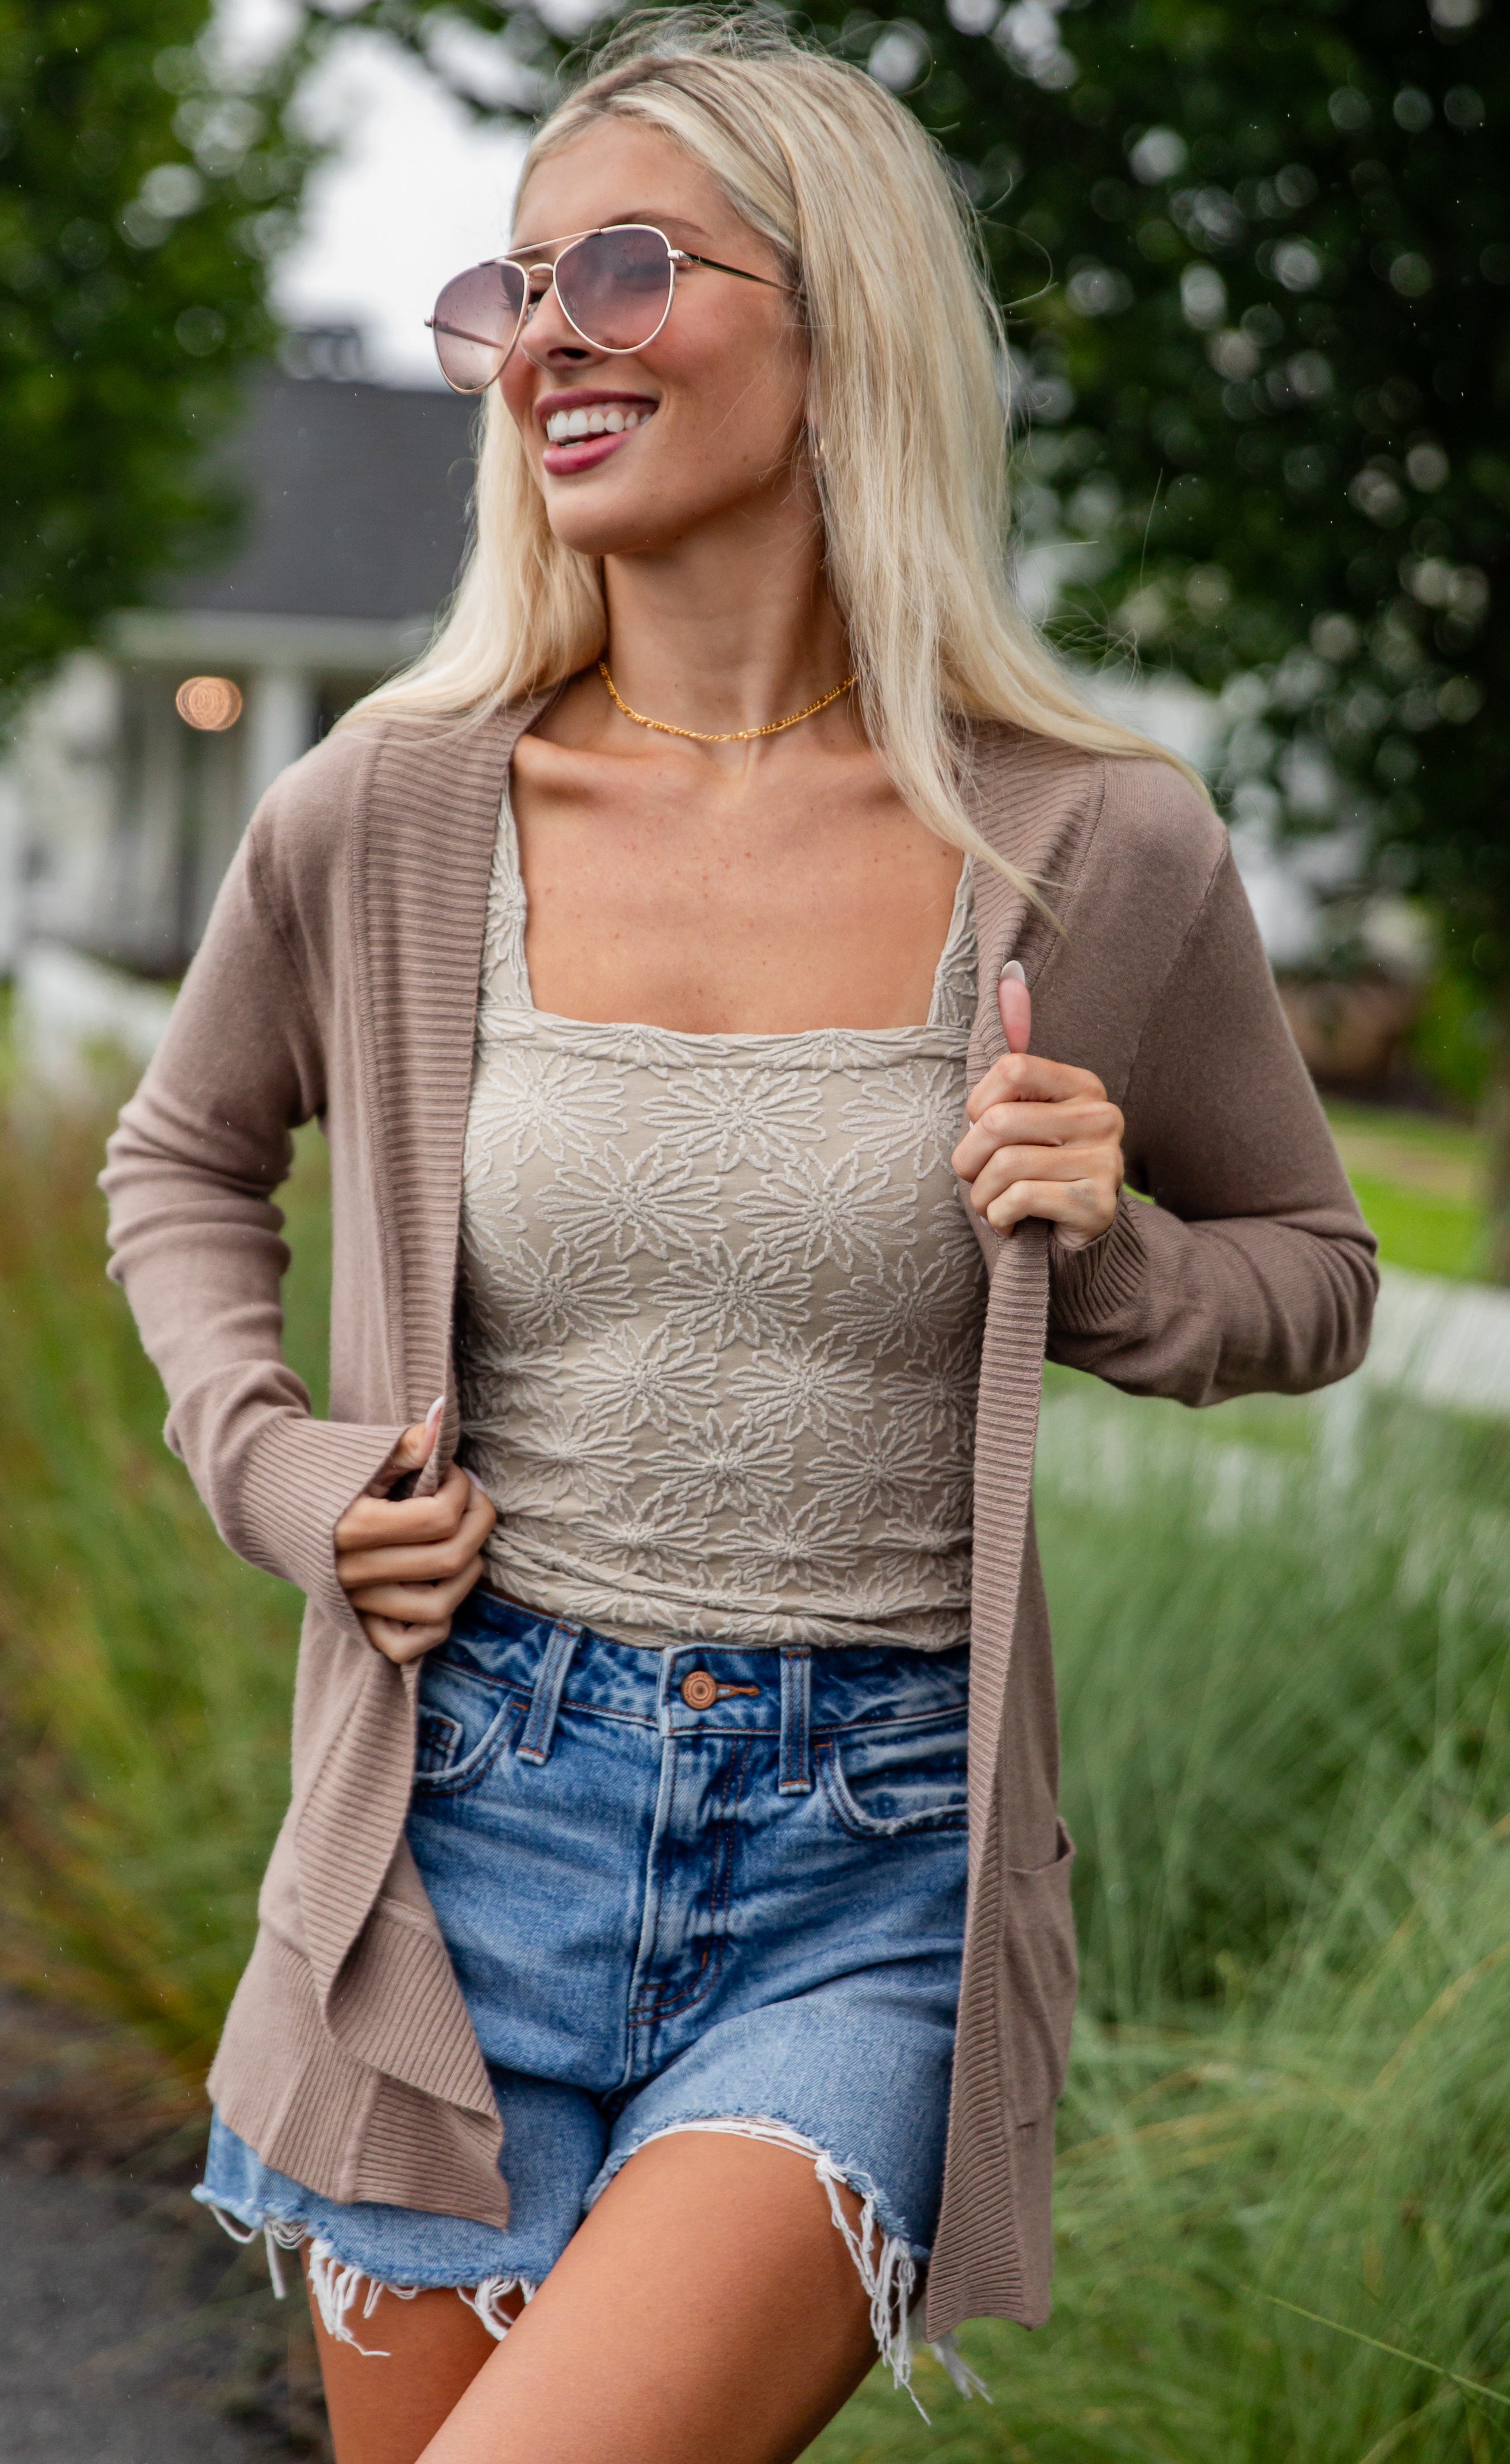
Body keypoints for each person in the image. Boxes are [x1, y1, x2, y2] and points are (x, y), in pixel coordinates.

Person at [101, 16, 1377, 2461]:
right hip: (447, 1830)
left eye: (620, 267)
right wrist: (282, 1467)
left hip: (867, 1870)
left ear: (840, 323)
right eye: (512, 289)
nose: (543, 340)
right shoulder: (393, 805)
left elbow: (1312, 1264)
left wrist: (1111, 1266)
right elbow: (181, 1152)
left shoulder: (1090, 849)